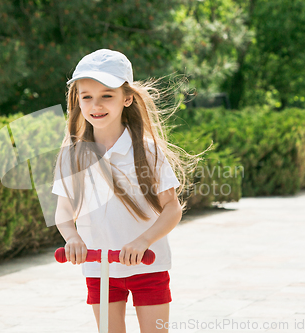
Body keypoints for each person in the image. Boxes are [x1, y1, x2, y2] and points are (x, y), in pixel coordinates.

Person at [52, 49, 207, 333]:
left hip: (149, 267)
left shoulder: (148, 151)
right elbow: (64, 208)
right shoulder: (72, 155)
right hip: (100, 268)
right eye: (86, 96)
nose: (95, 104)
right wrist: (72, 236)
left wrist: (143, 241)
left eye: (106, 95)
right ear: (77, 100)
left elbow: (172, 208)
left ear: (127, 98)